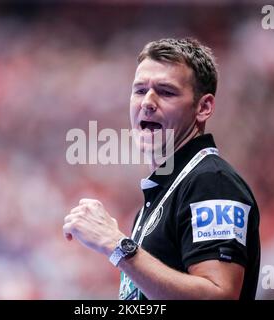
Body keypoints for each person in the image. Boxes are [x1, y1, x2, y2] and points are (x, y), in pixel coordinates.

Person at [63, 38, 261, 300]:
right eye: (140, 90)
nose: (147, 102)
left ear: (204, 107)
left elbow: (219, 295)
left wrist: (115, 243)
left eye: (166, 92)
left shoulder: (212, 182)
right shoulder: (166, 190)